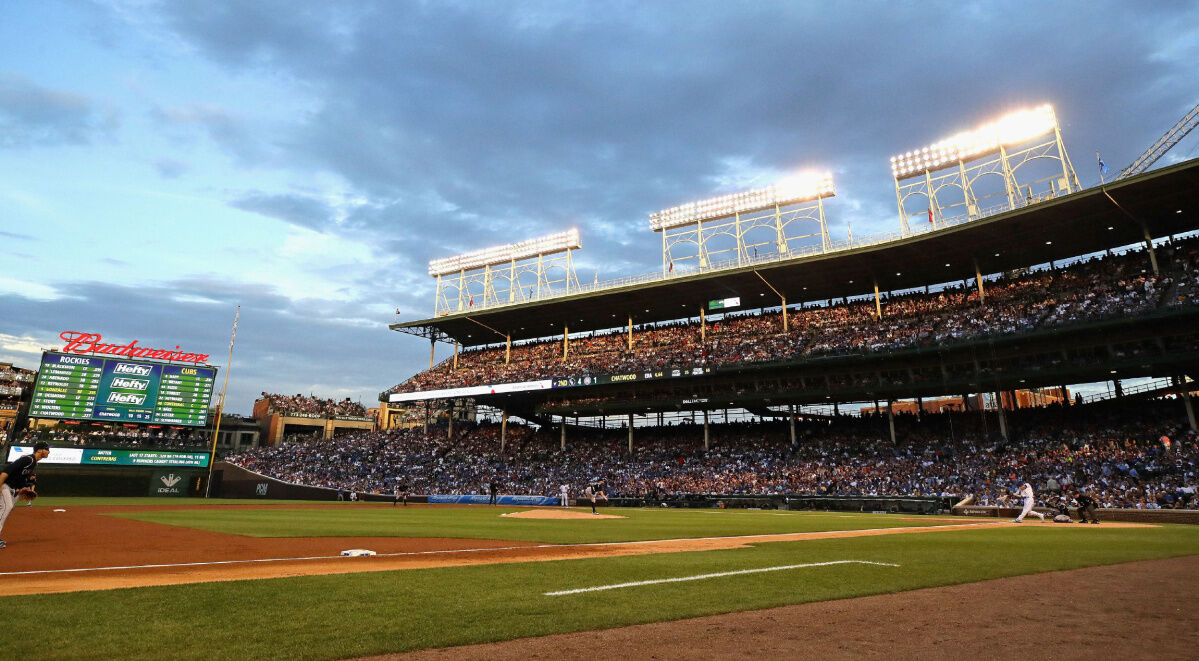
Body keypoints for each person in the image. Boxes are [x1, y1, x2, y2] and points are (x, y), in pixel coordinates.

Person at [0, 441, 50, 549]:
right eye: (47, 449)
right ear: (39, 450)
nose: (48, 452)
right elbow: (5, 472)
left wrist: (24, 488)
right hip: (4, 486)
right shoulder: (28, 459)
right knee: (6, 508)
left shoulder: (33, 463)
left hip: (11, 488)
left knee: (7, 509)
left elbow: (20, 478)